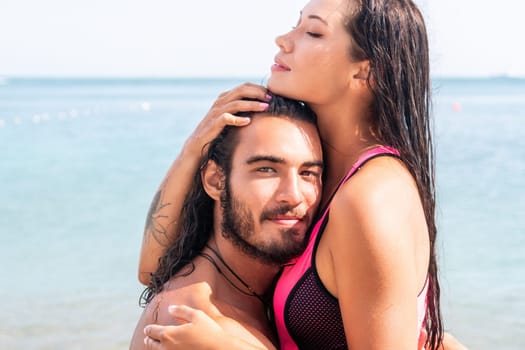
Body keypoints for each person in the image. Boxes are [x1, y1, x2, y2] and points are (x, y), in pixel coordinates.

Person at [138, 0, 447, 348]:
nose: (283, 40)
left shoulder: (372, 196)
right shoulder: (322, 174)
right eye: (296, 25)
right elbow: (153, 270)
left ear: (364, 71)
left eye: (313, 32)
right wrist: (196, 145)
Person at [130, 95, 324, 349]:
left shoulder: (261, 292)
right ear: (214, 180)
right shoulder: (187, 323)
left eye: (308, 173)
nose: (294, 195)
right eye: (266, 169)